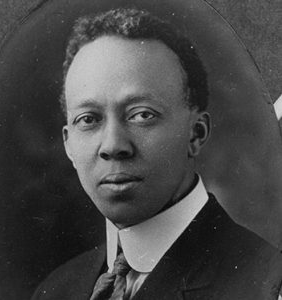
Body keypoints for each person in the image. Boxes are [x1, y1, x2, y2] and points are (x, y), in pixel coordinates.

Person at [32, 8, 282, 300]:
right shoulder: (57, 289)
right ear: (68, 145)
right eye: (88, 119)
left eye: (142, 115)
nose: (113, 146)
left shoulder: (266, 282)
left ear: (196, 133)